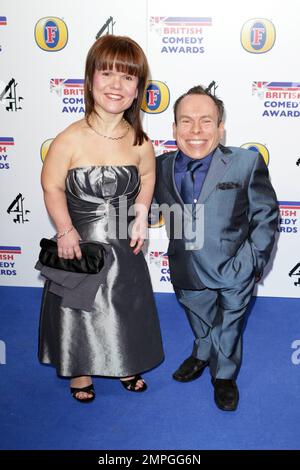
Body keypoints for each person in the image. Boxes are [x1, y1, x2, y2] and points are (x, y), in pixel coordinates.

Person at [38, 35, 164, 402]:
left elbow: (149, 177)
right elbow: (51, 188)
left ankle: (124, 358)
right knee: (78, 306)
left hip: (123, 240)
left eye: (127, 77)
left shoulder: (140, 140)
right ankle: (79, 368)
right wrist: (65, 231)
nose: (115, 85)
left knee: (125, 301)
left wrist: (140, 212)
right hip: (80, 241)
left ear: (138, 89)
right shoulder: (70, 139)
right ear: (90, 79)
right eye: (106, 73)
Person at [154, 85, 278, 411]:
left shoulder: (245, 163)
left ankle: (223, 375)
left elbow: (265, 216)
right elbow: (144, 210)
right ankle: (200, 353)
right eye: (186, 121)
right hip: (185, 266)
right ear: (174, 128)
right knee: (199, 319)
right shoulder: (159, 167)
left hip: (235, 265)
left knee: (230, 325)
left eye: (206, 121)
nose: (196, 130)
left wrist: (254, 261)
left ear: (221, 127)